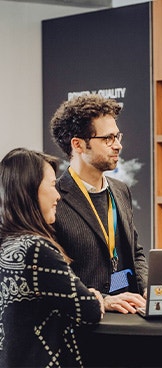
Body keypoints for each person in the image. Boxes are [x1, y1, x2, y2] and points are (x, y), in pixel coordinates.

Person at [0, 147, 104, 367]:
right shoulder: (36, 249)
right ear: (29, 190)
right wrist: (94, 294)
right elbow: (89, 310)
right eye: (52, 185)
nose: (57, 195)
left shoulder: (7, 242)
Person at [50, 93, 147, 314]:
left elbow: (136, 252)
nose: (118, 145)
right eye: (108, 139)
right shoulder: (53, 197)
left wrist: (147, 289)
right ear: (78, 144)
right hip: (87, 323)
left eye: (118, 136)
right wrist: (102, 299)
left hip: (130, 317)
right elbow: (56, 276)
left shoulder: (120, 190)